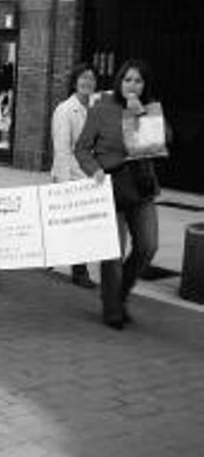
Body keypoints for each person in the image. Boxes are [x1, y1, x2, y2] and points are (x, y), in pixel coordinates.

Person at [75, 59, 162, 331]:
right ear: (119, 81)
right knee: (112, 251)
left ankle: (120, 294)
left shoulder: (149, 108)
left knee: (148, 246)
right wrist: (94, 170)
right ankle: (112, 309)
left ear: (145, 85)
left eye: (138, 81)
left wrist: (143, 117)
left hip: (141, 185)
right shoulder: (101, 108)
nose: (132, 85)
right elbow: (81, 149)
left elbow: (162, 141)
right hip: (109, 185)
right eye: (128, 79)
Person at [51, 63, 98, 289]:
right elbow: (61, 149)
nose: (87, 82)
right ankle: (80, 271)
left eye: (91, 78)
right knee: (79, 226)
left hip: (91, 175)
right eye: (83, 78)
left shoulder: (97, 107)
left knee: (67, 224)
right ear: (74, 82)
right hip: (71, 175)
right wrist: (64, 182)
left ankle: (49, 254)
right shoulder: (65, 110)